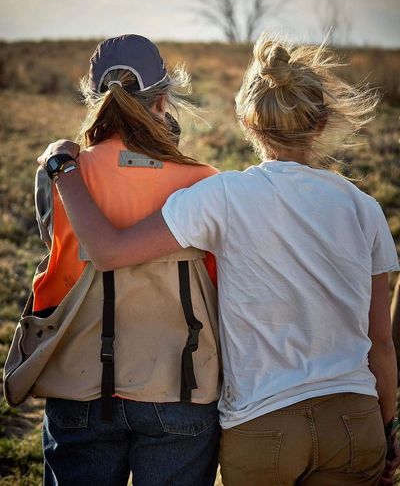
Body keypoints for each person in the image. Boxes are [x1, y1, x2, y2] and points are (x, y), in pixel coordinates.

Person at [39, 34, 400, 486]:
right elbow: (381, 344)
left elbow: (100, 252)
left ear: (248, 123)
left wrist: (61, 167)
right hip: (343, 416)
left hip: (251, 419)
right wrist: (388, 428)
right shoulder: (363, 208)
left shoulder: (221, 196)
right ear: (321, 120)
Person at [33, 34, 221, 486]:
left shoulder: (60, 173)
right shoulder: (205, 182)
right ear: (163, 102)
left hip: (77, 382)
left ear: (95, 99)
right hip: (179, 384)